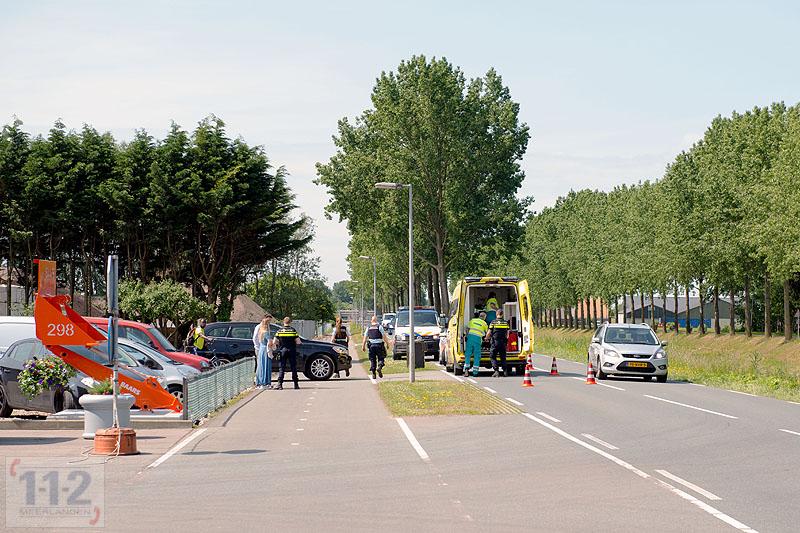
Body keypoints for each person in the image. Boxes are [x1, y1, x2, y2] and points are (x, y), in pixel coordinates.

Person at [272, 316, 302, 390]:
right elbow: (298, 342)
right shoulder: (293, 330)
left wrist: (280, 343)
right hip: (292, 350)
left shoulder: (279, 331)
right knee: (293, 367)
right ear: (290, 322)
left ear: (283, 322)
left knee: (282, 367)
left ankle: (280, 384)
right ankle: (296, 384)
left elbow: (274, 342)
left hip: (283, 350)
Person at [486, 309, 510, 378]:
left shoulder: (493, 322)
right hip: (503, 342)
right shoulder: (505, 323)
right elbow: (508, 333)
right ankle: (505, 371)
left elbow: (489, 332)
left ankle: (496, 371)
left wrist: (486, 338)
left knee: (493, 356)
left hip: (495, 342)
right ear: (502, 314)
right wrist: (506, 339)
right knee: (503, 357)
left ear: (496, 314)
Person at [464, 311, 488, 377]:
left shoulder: (472, 320)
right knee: (477, 356)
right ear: (484, 317)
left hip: (470, 338)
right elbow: (487, 332)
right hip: (477, 339)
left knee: (468, 354)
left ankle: (466, 369)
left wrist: (466, 336)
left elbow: (467, 328)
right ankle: (475, 372)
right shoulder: (484, 323)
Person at [253, 314, 274, 388]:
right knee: (265, 365)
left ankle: (260, 382)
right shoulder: (265, 331)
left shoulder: (261, 331)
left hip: (261, 348)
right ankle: (265, 382)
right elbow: (255, 339)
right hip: (264, 349)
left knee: (260, 366)